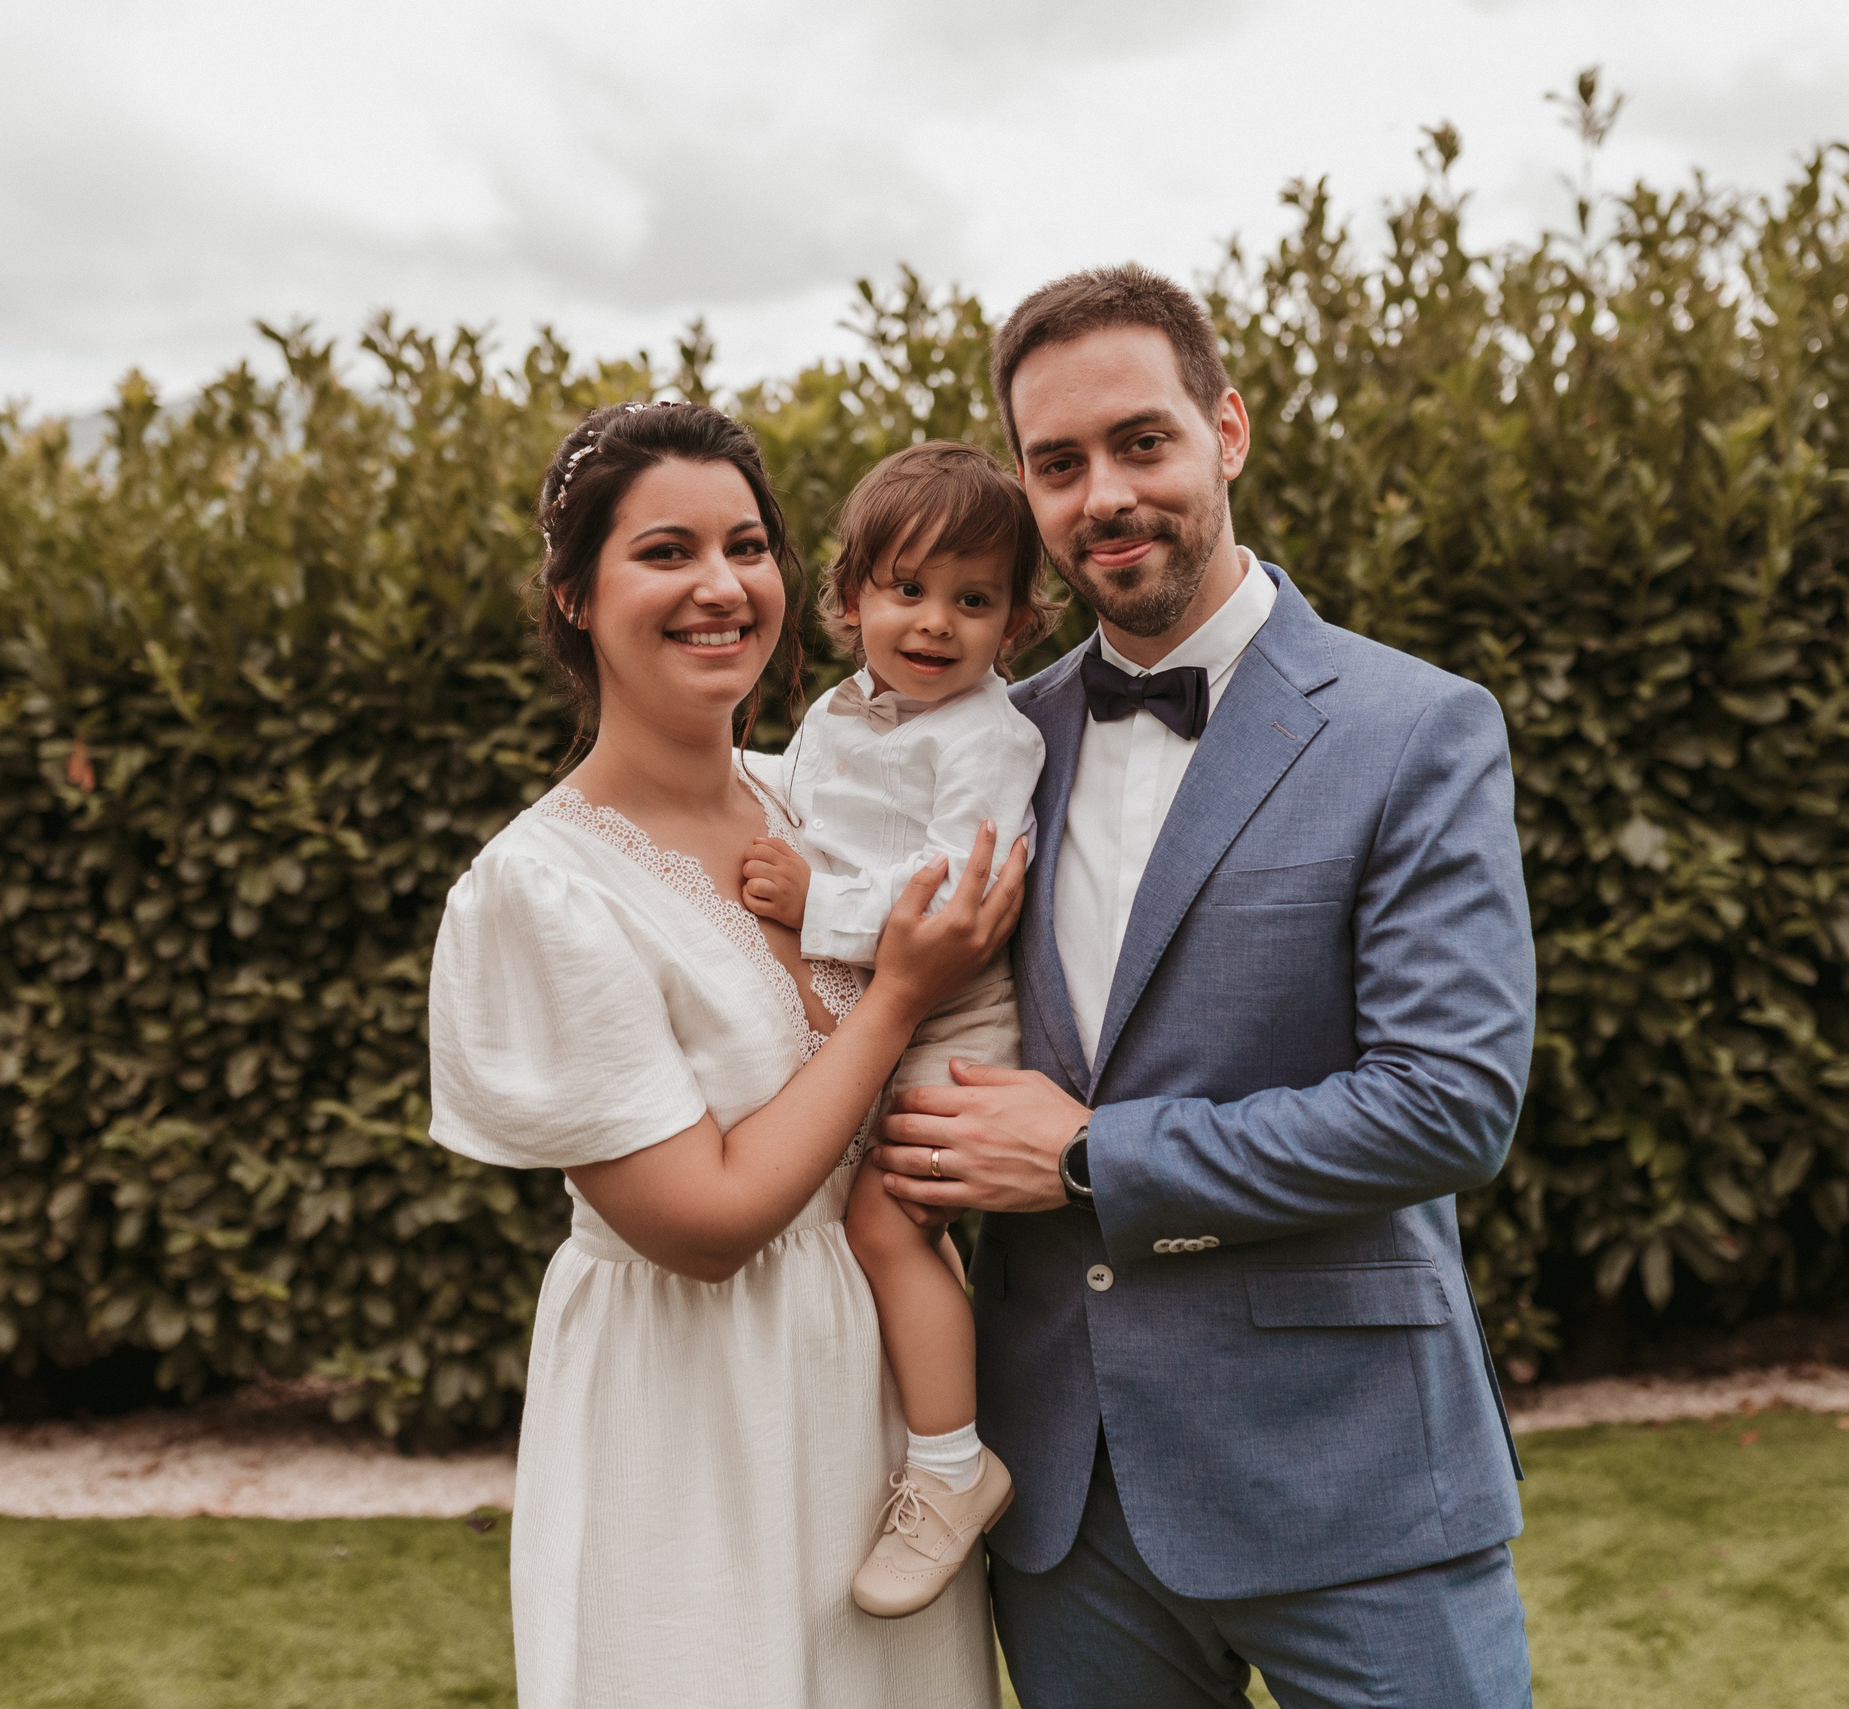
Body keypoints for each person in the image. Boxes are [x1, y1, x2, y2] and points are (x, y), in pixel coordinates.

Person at [873, 266, 1539, 1707]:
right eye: (1059, 463)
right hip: (1068, 1499)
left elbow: (1448, 1104)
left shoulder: (1416, 728)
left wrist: (1088, 1156)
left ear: (1225, 430)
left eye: (1141, 442)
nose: (1104, 494)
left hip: (1355, 1477)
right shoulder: (989, 742)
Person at [427, 401, 1019, 1709]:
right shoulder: (541, 889)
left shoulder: (819, 803)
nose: (720, 585)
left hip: (879, 1413)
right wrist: (897, 995)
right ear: (575, 594)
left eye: (746, 546)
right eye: (665, 551)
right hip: (692, 1411)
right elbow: (702, 1224)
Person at [735, 440, 1059, 1618]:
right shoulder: (832, 714)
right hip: (873, 1004)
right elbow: (798, 802)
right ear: (850, 596)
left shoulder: (991, 737)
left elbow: (956, 895)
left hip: (954, 1020)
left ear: (1014, 622)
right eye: (907, 589)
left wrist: (813, 901)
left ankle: (950, 1467)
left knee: (884, 1220)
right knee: (834, 1206)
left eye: (972, 600)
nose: (933, 622)